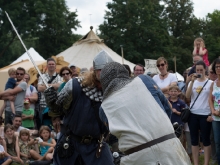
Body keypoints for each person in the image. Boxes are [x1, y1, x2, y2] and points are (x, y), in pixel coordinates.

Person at [99, 62, 191, 165]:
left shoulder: (104, 108)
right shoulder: (144, 80)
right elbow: (166, 109)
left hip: (136, 157)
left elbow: (116, 136)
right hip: (169, 147)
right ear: (125, 74)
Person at [44, 50, 114, 165]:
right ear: (95, 70)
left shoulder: (114, 91)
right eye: (101, 70)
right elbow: (57, 110)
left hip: (97, 146)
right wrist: (51, 102)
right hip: (71, 144)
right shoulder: (75, 85)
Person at [186, 60, 213, 165]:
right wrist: (191, 81)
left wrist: (211, 113)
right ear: (195, 70)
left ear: (205, 70)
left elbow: (212, 99)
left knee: (206, 139)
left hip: (205, 114)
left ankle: (206, 163)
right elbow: (187, 96)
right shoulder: (193, 82)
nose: (199, 72)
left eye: (201, 70)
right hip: (193, 113)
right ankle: (196, 163)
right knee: (194, 140)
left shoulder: (210, 83)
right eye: (197, 70)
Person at [38, 58, 62, 128]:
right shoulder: (42, 76)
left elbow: (59, 86)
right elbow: (39, 88)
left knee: (56, 126)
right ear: (47, 66)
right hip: (44, 104)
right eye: (49, 64)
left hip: (56, 104)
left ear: (55, 66)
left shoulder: (59, 76)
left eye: (52, 64)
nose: (51, 65)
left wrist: (46, 86)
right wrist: (54, 86)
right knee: (45, 126)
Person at [209, 58, 220, 165]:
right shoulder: (214, 83)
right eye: (216, 66)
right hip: (216, 117)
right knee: (217, 142)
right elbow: (210, 99)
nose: (218, 68)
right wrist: (213, 111)